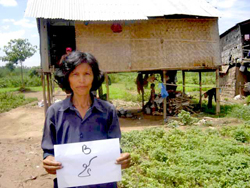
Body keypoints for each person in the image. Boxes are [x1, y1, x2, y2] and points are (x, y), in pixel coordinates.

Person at [42, 51, 131, 188]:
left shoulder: (108, 111)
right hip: (68, 184)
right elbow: (48, 152)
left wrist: (122, 159)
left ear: (94, 77)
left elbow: (114, 149)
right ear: (67, 78)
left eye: (87, 74)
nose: (81, 80)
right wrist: (49, 161)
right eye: (75, 74)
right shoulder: (54, 113)